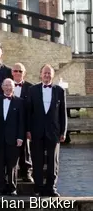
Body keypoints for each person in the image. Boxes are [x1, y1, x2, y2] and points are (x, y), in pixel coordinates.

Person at [27, 64, 67, 197]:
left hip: (54, 132)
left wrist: (63, 132)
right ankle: (38, 188)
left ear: (53, 75)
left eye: (49, 73)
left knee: (53, 162)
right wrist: (28, 130)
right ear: (40, 74)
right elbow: (29, 113)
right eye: (45, 73)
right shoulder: (32, 90)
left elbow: (63, 113)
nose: (47, 75)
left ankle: (51, 187)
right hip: (36, 131)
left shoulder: (60, 91)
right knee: (37, 161)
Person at [0, 78, 25, 196]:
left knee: (12, 165)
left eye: (10, 86)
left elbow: (22, 121)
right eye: (6, 85)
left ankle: (12, 188)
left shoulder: (20, 102)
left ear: (14, 88)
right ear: (2, 87)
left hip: (14, 138)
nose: (8, 88)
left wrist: (20, 137)